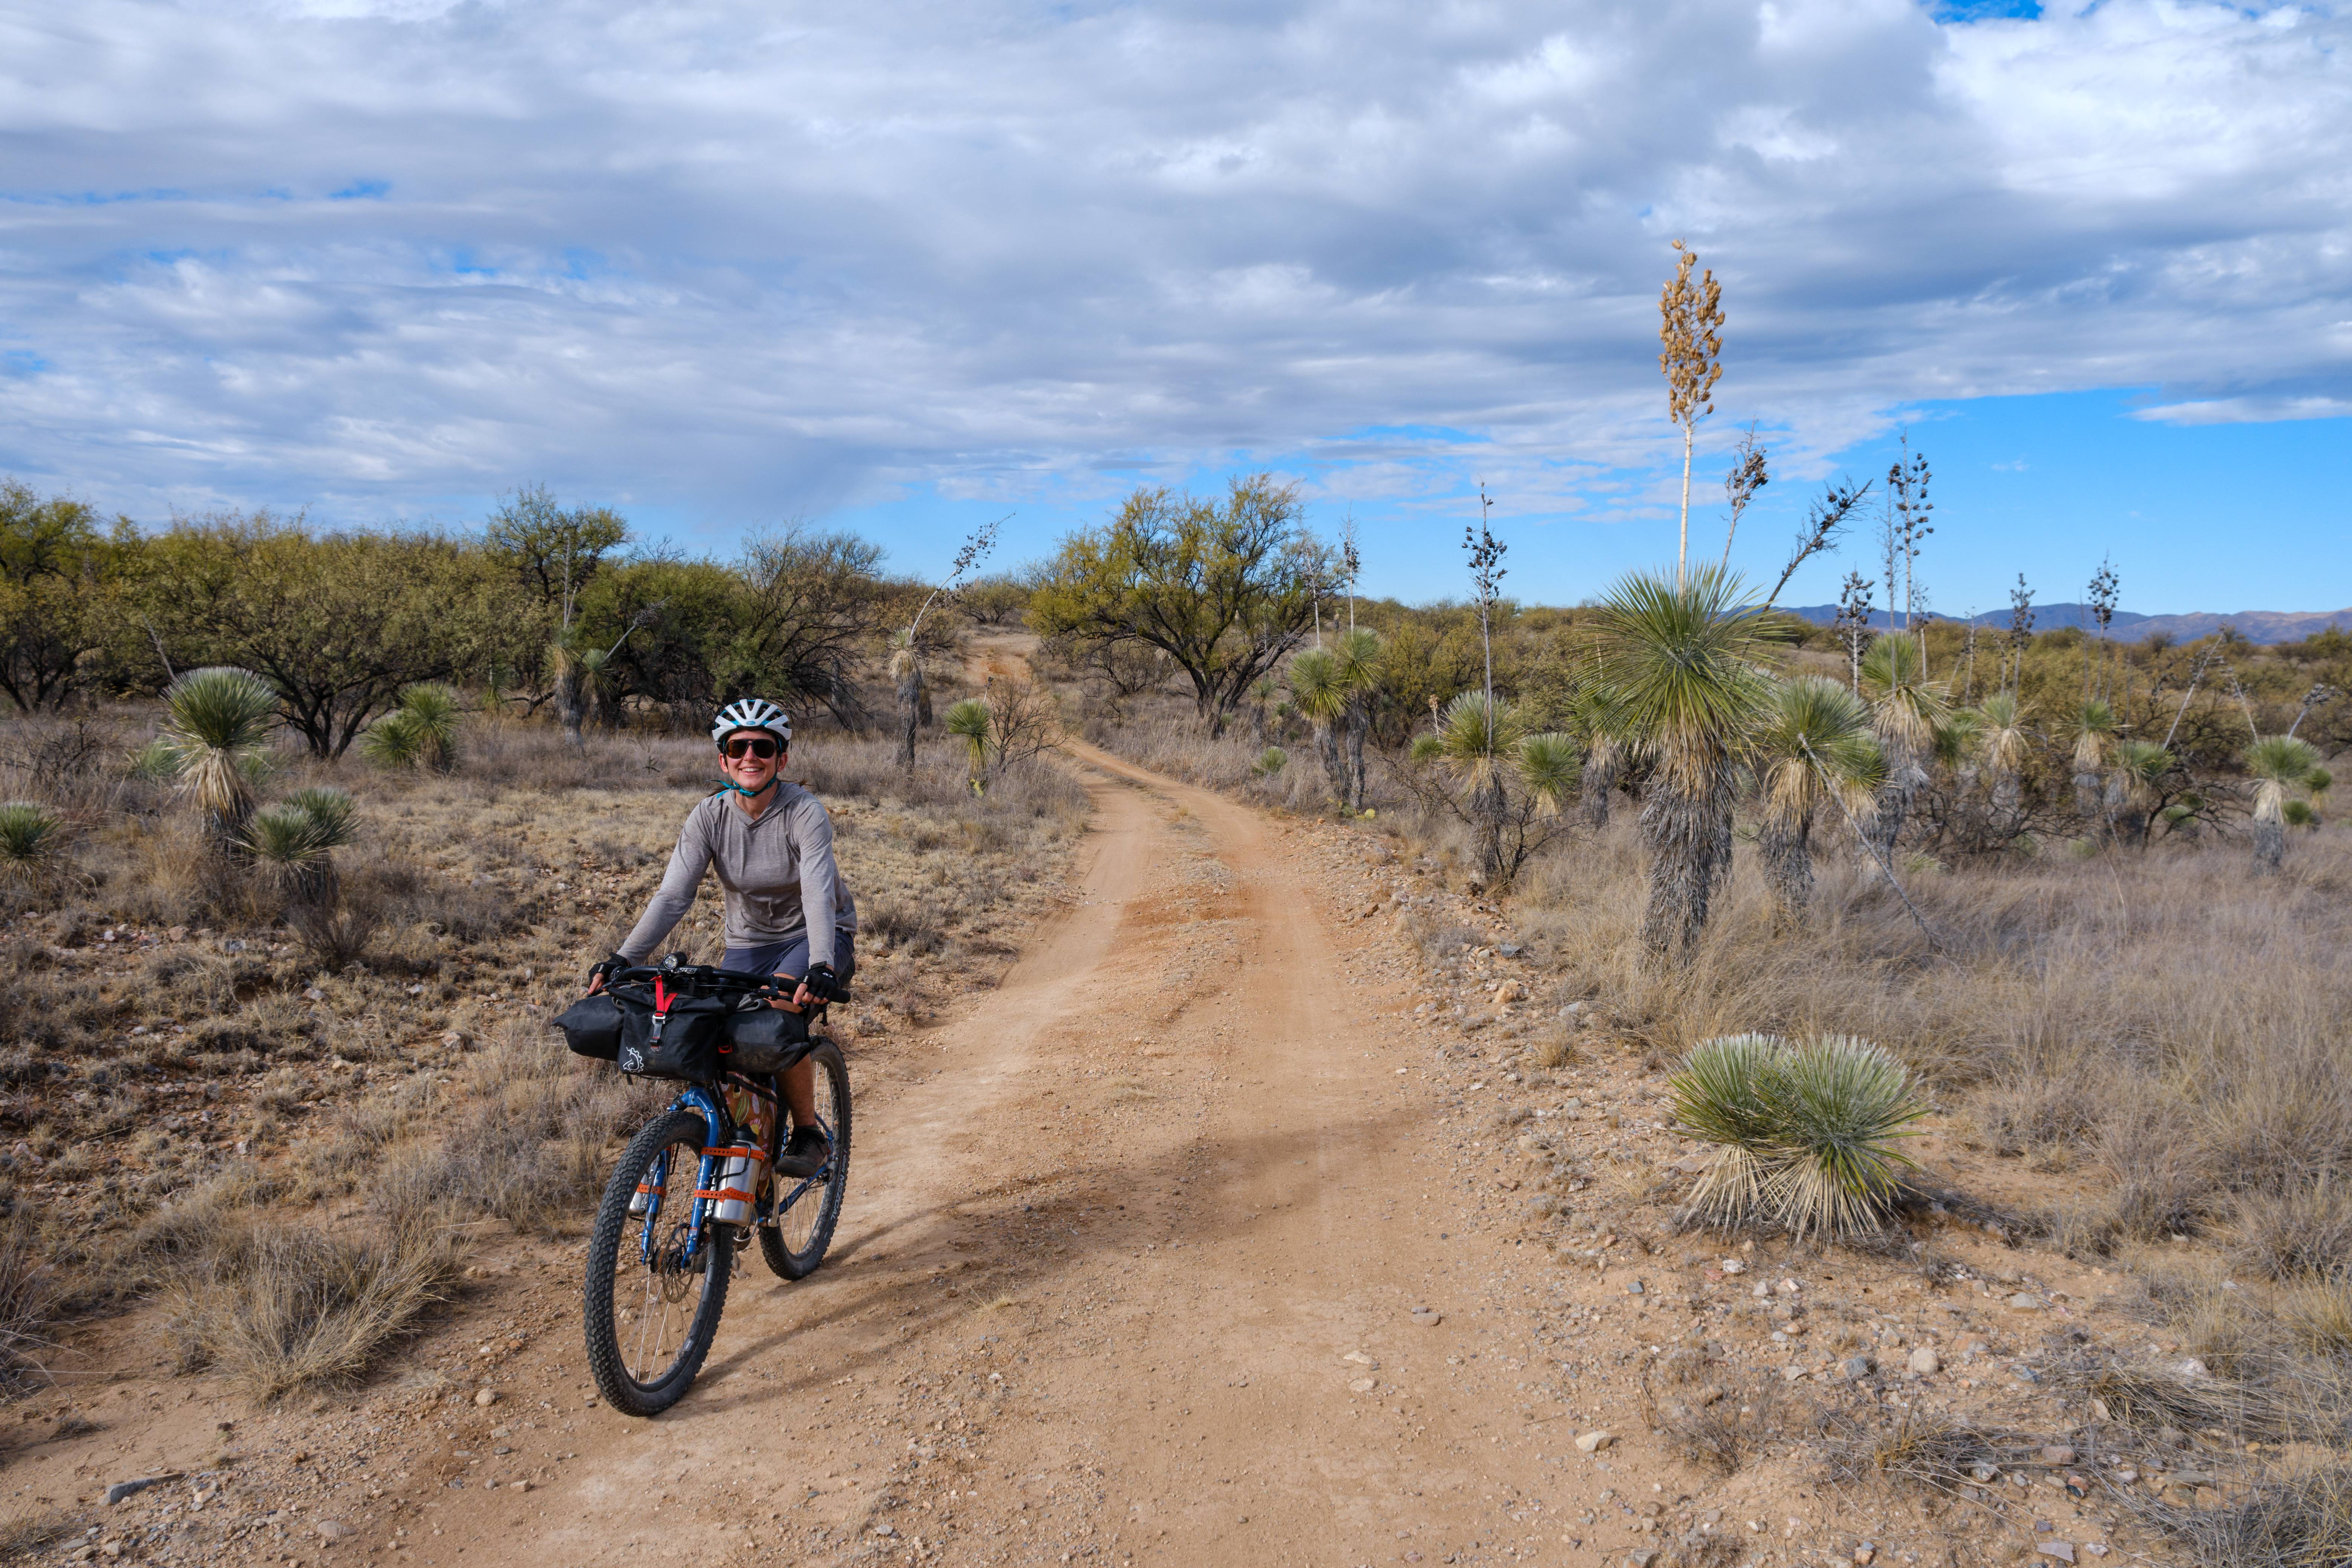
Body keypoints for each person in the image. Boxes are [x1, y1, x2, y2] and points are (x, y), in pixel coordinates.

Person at [589, 697, 857, 1177]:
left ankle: (810, 1131)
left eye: (762, 746)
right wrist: (621, 958)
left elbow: (818, 891)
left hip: (816, 936)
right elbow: (674, 895)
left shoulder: (804, 813)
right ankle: (744, 1139)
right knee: (717, 1028)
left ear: (782, 758)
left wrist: (821, 964)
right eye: (738, 747)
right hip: (749, 941)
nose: (749, 756)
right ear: (723, 759)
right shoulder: (708, 816)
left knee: (776, 1013)